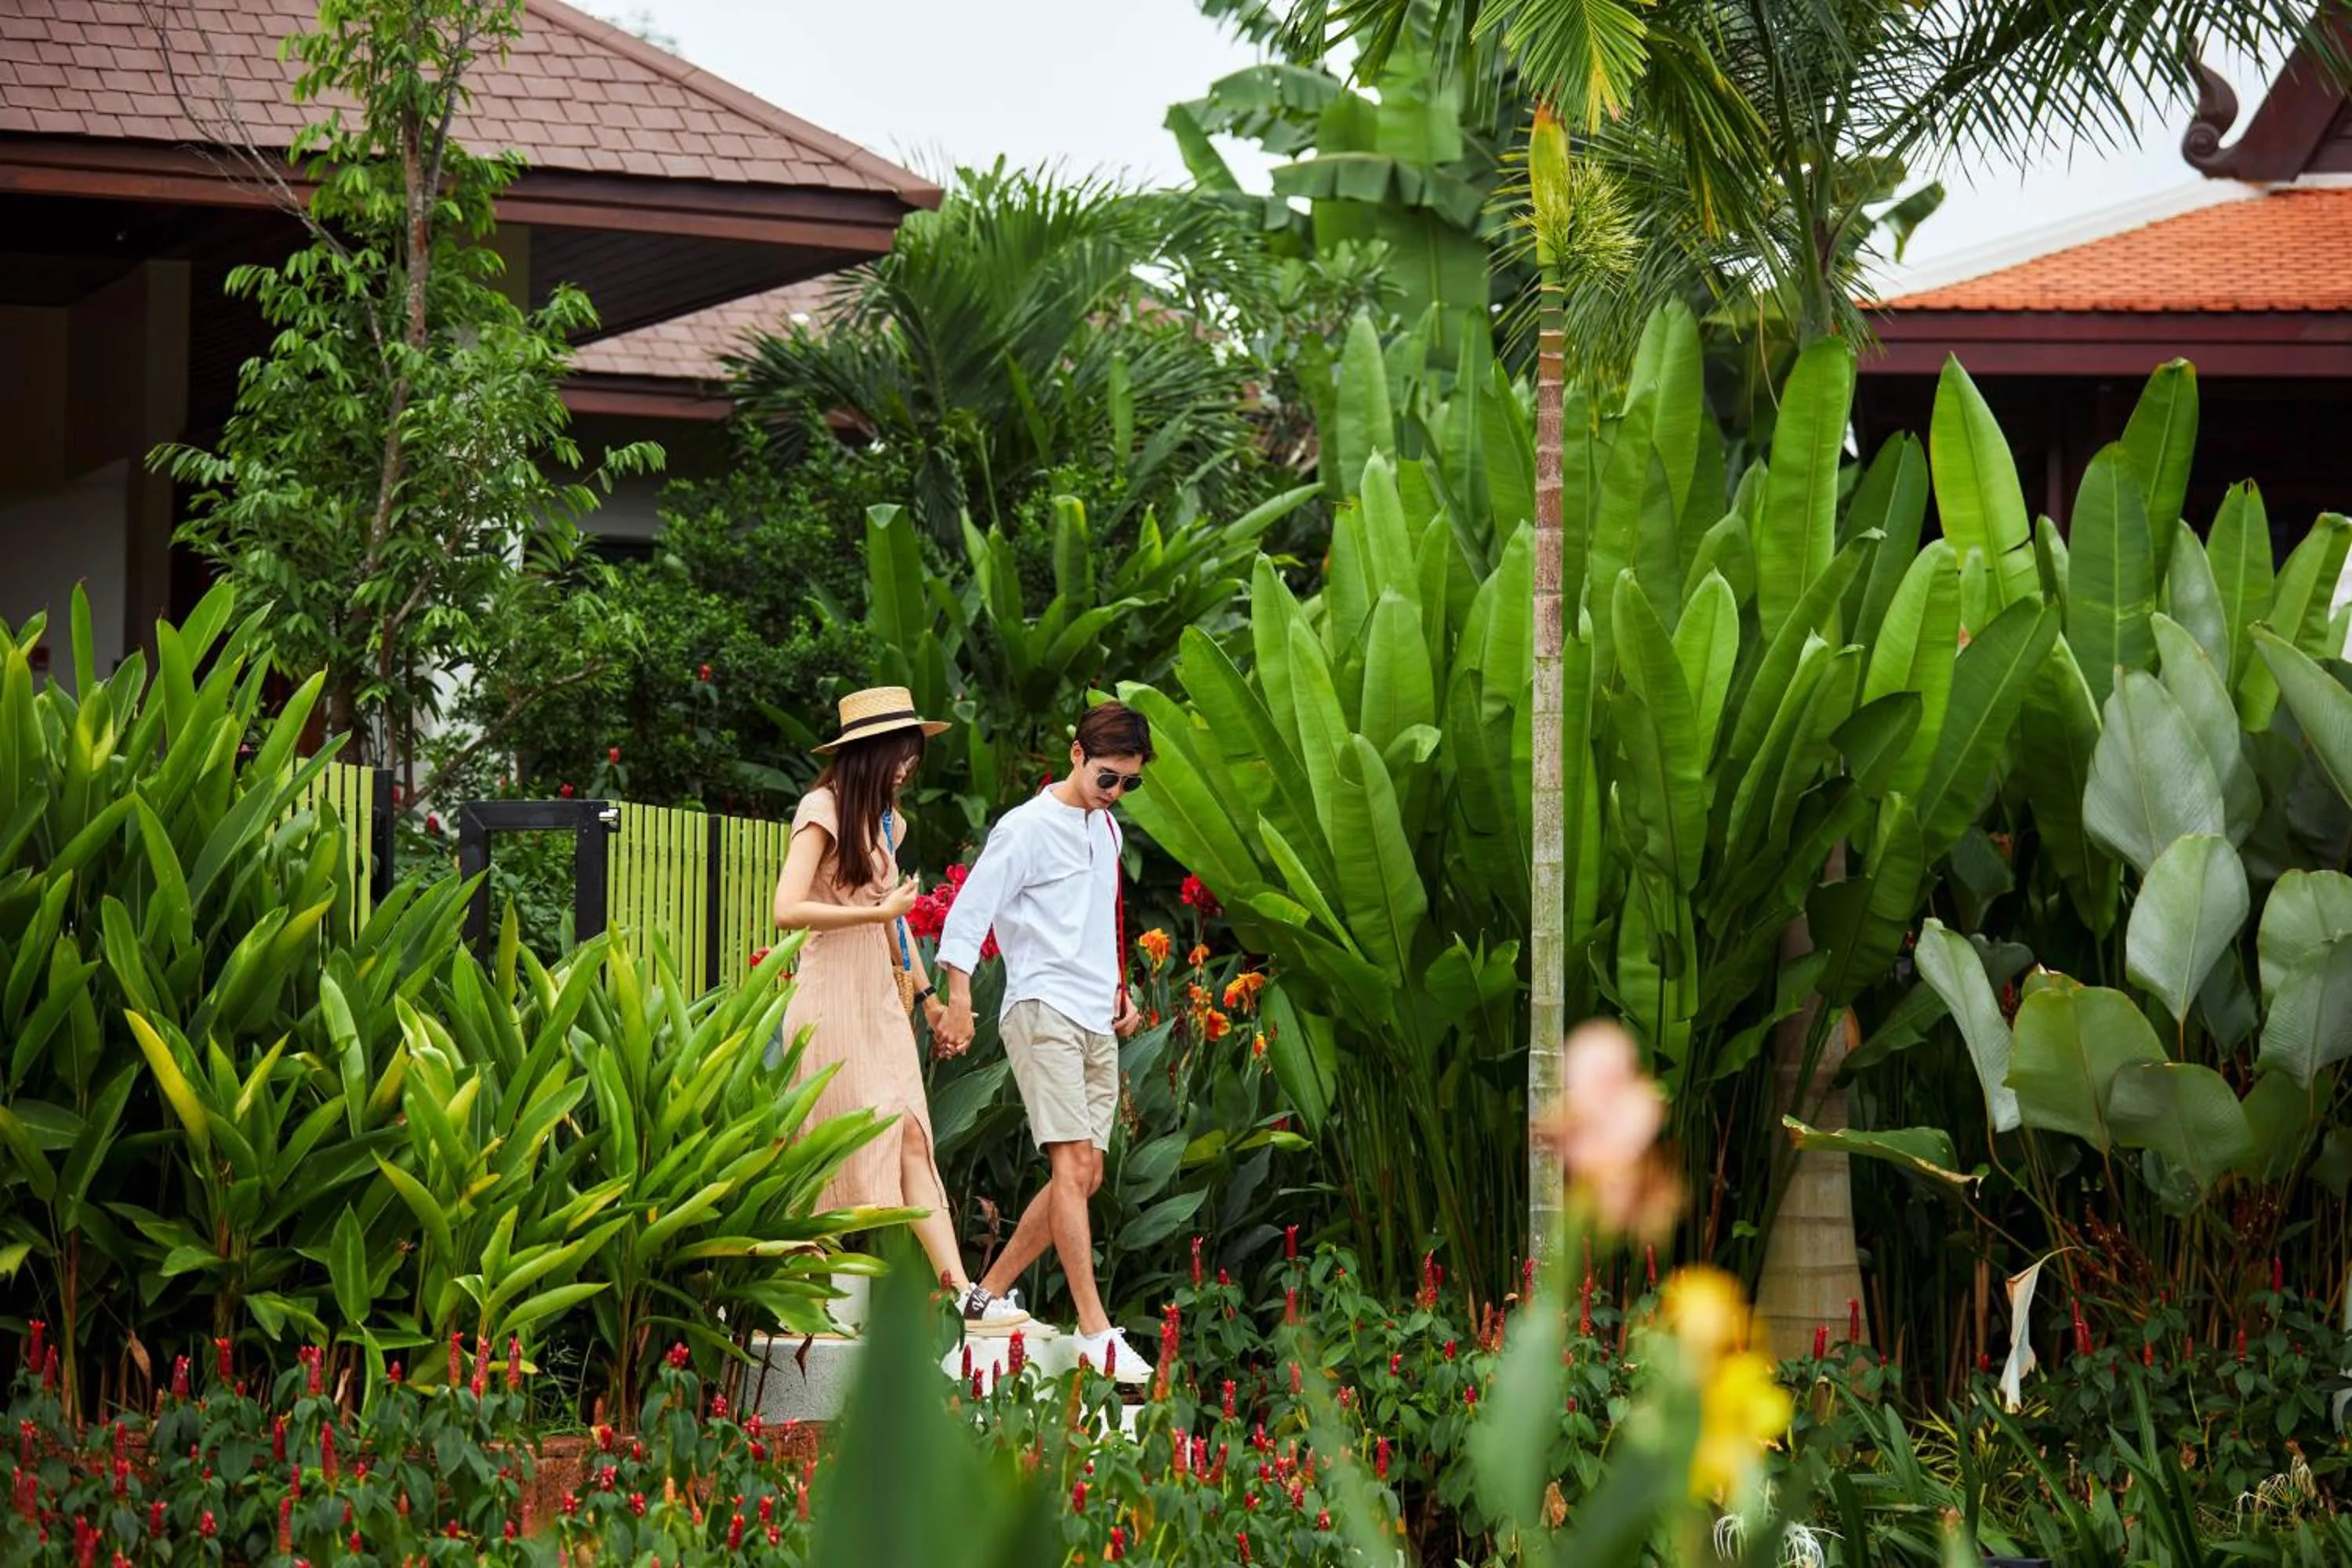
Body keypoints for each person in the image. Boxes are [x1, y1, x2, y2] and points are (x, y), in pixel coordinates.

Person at [771, 685, 1029, 1336]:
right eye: (898, 755)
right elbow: (787, 909)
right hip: (829, 998)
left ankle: (964, 1294)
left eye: (912, 756)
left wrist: (928, 999)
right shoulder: (821, 809)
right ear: (865, 754)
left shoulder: (889, 822)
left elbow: (899, 927)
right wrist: (876, 913)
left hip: (880, 1003)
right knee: (826, 1147)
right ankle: (801, 1296)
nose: (907, 768)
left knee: (912, 1134)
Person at [933, 699, 1152, 1381]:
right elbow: (971, 911)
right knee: (1069, 1162)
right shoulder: (1025, 828)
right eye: (1108, 778)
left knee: (1084, 1175)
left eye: (1130, 785)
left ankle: (986, 1296)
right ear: (1078, 756)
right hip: (1041, 1008)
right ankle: (1096, 1332)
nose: (1115, 794)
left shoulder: (1106, 833)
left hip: (1094, 1015)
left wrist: (1123, 992)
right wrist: (960, 997)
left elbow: (1094, 922)